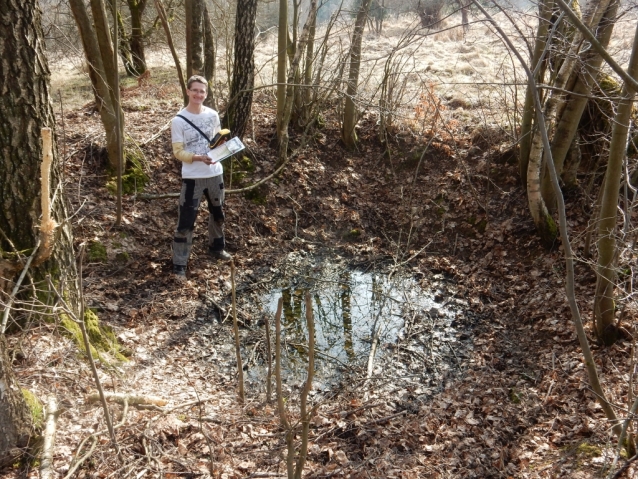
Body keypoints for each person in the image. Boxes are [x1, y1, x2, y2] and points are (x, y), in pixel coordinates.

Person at [171, 75, 231, 279]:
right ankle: (179, 264)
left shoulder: (213, 115)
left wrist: (224, 149)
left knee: (218, 214)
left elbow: (216, 142)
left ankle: (216, 247)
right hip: (192, 177)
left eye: (202, 91)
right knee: (186, 222)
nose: (198, 94)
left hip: (215, 173)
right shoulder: (178, 121)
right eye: (195, 90)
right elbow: (178, 152)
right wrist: (198, 158)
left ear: (206, 94)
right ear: (188, 91)